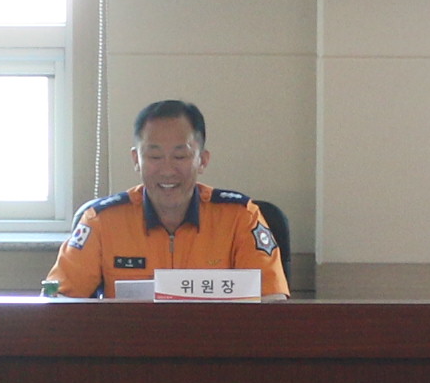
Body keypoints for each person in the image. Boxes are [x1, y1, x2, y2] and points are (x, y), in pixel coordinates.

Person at [48, 98, 289, 298]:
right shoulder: (101, 221)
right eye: (154, 157)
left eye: (180, 156)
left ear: (202, 160)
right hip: (128, 342)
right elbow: (58, 304)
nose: (167, 170)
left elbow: (271, 305)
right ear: (136, 160)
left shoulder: (240, 217)